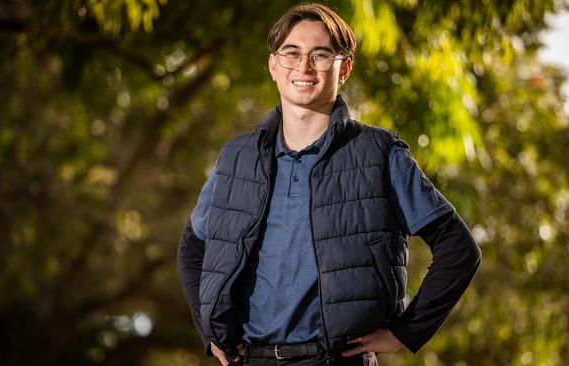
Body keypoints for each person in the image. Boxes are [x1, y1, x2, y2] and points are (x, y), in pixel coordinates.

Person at [178, 3, 481, 366]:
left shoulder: (378, 154)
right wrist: (210, 332)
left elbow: (458, 249)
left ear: (344, 68)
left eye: (320, 55)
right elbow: (193, 247)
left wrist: (406, 332)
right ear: (274, 65)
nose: (304, 67)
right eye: (291, 53)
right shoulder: (236, 157)